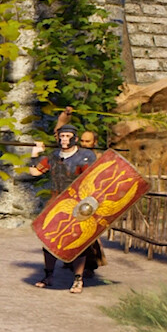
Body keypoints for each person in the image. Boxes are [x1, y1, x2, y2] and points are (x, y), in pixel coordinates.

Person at [24, 124, 103, 292]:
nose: (64, 139)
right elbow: (35, 172)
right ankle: (48, 275)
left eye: (67, 136)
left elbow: (91, 179)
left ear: (74, 138)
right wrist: (35, 154)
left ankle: (78, 280)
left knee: (77, 241)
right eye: (62, 136)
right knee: (48, 240)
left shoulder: (85, 156)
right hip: (56, 202)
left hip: (77, 203)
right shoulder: (53, 156)